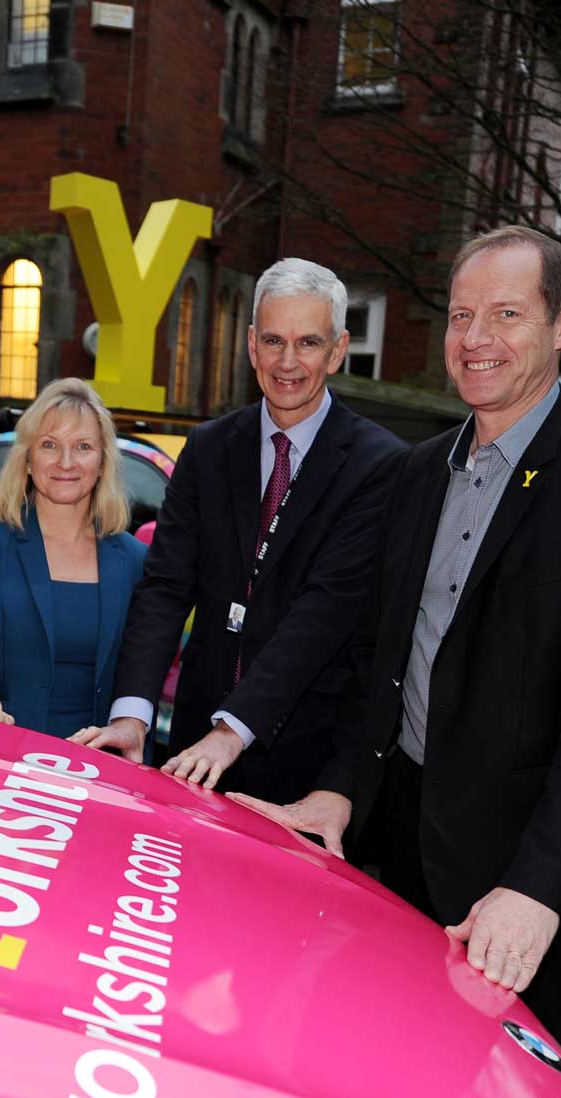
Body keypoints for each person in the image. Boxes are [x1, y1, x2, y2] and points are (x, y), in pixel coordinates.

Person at [235, 226, 561, 1080]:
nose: (475, 339)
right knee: (386, 1083)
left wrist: (538, 888)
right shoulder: (416, 474)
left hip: (524, 882)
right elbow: (380, 662)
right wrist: (340, 788)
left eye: (506, 314)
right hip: (400, 851)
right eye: (461, 315)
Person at [74, 258, 406, 802]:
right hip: (189, 752)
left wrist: (232, 732)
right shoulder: (207, 448)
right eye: (274, 340)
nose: (288, 362)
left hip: (303, 766)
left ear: (339, 350)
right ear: (251, 345)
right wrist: (132, 715)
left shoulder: (380, 466)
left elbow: (324, 614)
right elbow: (165, 587)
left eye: (309, 343)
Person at [0, 378, 147, 738]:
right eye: (49, 445)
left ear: (103, 461)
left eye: (83, 447)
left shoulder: (135, 561)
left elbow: (144, 671)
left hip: (99, 771)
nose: (66, 462)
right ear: (28, 459)